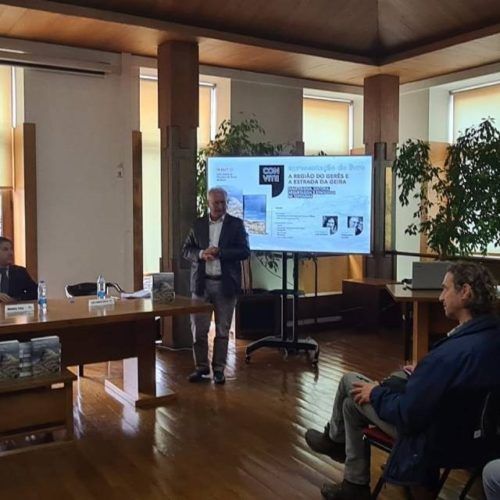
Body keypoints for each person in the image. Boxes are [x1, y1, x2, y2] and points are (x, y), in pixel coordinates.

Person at [305, 262, 500, 499]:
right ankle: (353, 482)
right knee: (351, 406)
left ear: (466, 292)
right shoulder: (489, 338)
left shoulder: (446, 357)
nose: (440, 297)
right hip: (479, 437)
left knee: (350, 384)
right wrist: (425, 374)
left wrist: (376, 392)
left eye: (445, 289)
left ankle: (335, 442)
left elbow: (408, 415)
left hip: (435, 439)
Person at [182, 187, 250, 385]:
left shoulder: (235, 225)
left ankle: (219, 369)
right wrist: (201, 254)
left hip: (225, 284)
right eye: (216, 203)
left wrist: (221, 252)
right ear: (208, 204)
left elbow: (244, 251)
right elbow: (186, 250)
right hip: (202, 284)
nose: (220, 206)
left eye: (223, 202)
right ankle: (201, 367)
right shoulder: (198, 224)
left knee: (222, 330)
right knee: (198, 330)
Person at [0, 236, 37, 303]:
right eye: (5, 249)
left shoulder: (20, 272)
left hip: (15, 311)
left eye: (11, 249)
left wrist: (17, 300)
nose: (10, 253)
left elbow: (35, 293)